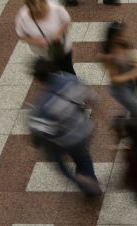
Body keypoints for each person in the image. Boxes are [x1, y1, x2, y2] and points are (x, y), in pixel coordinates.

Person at [28, 58, 101, 197]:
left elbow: (41, 131)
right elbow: (92, 97)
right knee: (83, 159)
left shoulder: (43, 104)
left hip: (60, 141)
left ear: (37, 80)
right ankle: (90, 183)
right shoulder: (70, 80)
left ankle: (80, 180)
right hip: (80, 130)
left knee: (60, 165)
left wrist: (37, 142)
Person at [16, 0, 75, 74]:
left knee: (68, 72)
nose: (39, 10)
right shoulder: (23, 17)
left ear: (44, 0)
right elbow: (21, 36)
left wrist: (59, 33)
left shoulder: (56, 9)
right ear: (28, 7)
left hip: (61, 50)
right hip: (42, 55)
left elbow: (67, 22)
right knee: (52, 77)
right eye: (35, 9)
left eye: (41, 6)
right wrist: (35, 41)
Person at [100, 21, 137, 120]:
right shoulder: (108, 56)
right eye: (121, 36)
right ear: (113, 38)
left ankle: (122, 124)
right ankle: (122, 125)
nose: (124, 38)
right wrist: (133, 74)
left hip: (129, 83)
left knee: (128, 107)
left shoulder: (123, 43)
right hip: (120, 89)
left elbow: (132, 56)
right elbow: (114, 79)